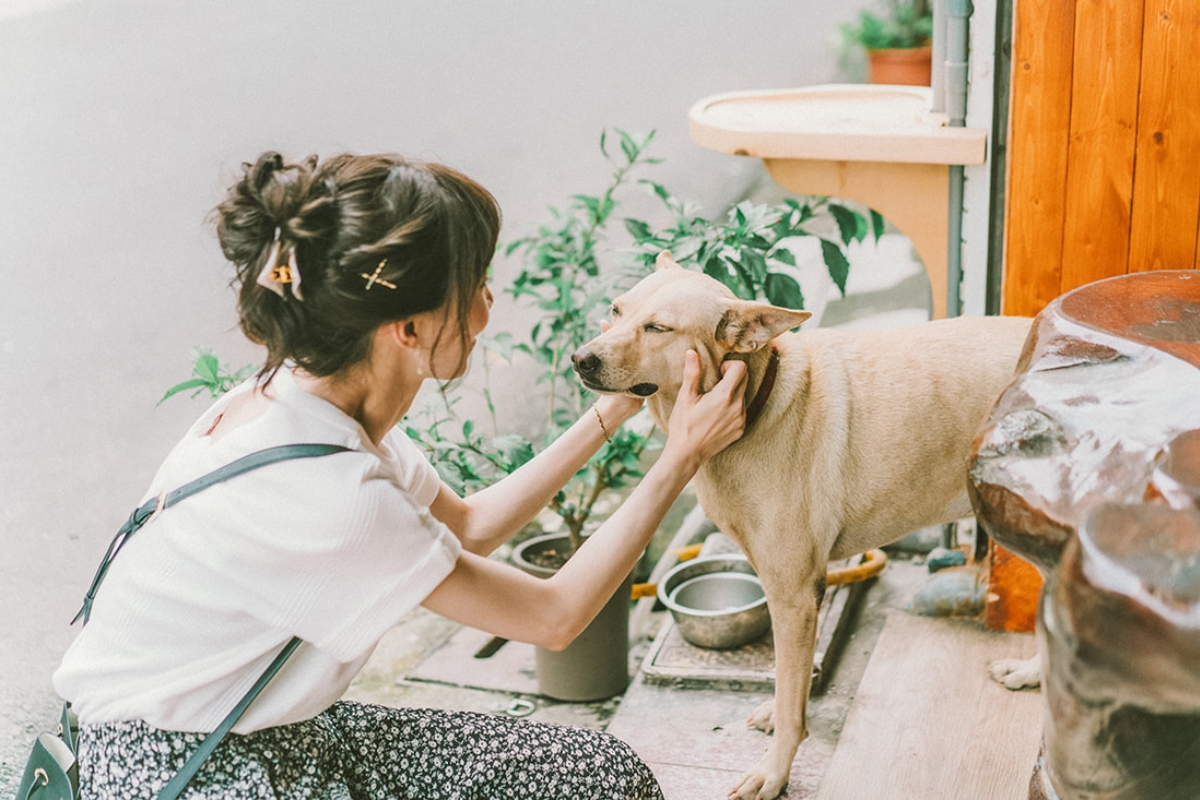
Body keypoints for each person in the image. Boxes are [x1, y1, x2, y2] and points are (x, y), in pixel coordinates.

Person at [53, 151, 747, 799]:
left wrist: (617, 408)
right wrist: (679, 456)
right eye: (475, 285)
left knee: (597, 773)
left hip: (272, 733)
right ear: (408, 331)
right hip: (186, 772)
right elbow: (555, 616)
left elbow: (467, 528)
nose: (488, 306)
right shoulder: (332, 494)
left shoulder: (304, 400)